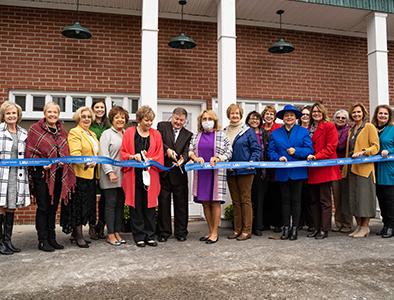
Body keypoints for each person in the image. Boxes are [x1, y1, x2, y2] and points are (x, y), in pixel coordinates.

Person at [25, 101, 76, 252]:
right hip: (41, 174)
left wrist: (62, 162)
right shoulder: (35, 130)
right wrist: (41, 164)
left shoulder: (63, 132)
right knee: (43, 207)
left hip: (58, 174)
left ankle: (52, 238)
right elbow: (30, 153)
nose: (52, 115)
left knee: (53, 207)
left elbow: (65, 154)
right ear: (45, 113)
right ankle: (42, 240)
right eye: (49, 112)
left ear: (58, 115)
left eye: (55, 112)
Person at [268, 105, 314, 241]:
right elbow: (270, 151)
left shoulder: (303, 131)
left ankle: (295, 229)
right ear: (283, 117)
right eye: (286, 115)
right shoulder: (275, 133)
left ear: (296, 118)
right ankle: (286, 228)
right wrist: (278, 158)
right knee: (285, 201)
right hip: (282, 172)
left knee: (296, 201)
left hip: (298, 172)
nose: (289, 117)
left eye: (292, 115)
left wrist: (296, 151)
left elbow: (309, 150)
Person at [120, 105, 164, 247]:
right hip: (134, 176)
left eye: (151, 120)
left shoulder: (156, 134)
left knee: (150, 207)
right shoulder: (129, 133)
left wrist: (149, 160)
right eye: (146, 120)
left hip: (151, 175)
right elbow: (124, 153)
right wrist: (132, 156)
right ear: (139, 119)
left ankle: (150, 235)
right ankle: (139, 236)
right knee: (136, 206)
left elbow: (159, 154)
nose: (149, 123)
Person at [189, 110, 232, 244]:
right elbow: (190, 150)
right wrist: (195, 158)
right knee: (205, 202)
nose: (207, 121)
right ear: (200, 121)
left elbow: (229, 151)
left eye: (209, 118)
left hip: (216, 173)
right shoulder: (196, 136)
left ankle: (215, 233)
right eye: (204, 118)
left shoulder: (221, 135)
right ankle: (210, 231)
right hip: (202, 173)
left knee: (215, 202)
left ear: (214, 121)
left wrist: (219, 158)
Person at [63, 107, 100, 248]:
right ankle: (78, 236)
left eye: (89, 117)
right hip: (79, 175)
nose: (86, 119)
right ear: (78, 118)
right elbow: (75, 153)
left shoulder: (92, 134)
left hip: (90, 175)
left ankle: (76, 234)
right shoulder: (74, 132)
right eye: (83, 116)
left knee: (86, 206)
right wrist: (85, 163)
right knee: (78, 206)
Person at [342, 102, 379, 238]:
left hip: (364, 170)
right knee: (354, 199)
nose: (356, 114)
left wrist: (363, 152)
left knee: (364, 199)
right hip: (351, 169)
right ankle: (358, 226)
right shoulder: (351, 130)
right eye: (354, 112)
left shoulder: (369, 127)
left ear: (363, 113)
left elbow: (376, 147)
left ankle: (365, 227)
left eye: (359, 112)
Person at [224, 104, 261, 241]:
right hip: (230, 171)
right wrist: (226, 164)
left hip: (246, 171)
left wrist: (252, 162)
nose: (235, 116)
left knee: (245, 199)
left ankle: (247, 230)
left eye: (237, 114)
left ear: (241, 115)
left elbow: (256, 149)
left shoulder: (248, 130)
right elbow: (222, 151)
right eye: (232, 113)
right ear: (229, 115)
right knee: (236, 201)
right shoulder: (224, 131)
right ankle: (237, 229)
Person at [157, 107, 192, 242]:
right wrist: (167, 150)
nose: (178, 122)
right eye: (176, 119)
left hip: (179, 173)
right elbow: (158, 141)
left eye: (181, 120)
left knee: (181, 205)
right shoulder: (162, 126)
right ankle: (163, 232)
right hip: (164, 173)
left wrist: (183, 158)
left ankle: (181, 232)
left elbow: (188, 150)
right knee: (164, 204)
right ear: (172, 117)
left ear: (185, 121)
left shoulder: (188, 134)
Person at [306, 103, 341, 239]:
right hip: (313, 168)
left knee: (325, 200)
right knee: (314, 200)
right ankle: (316, 227)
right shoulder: (309, 128)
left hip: (324, 167)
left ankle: (324, 229)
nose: (316, 113)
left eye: (318, 111)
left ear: (323, 112)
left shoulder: (329, 126)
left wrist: (316, 156)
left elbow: (331, 147)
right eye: (314, 111)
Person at [0, 102, 30, 255]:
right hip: (1, 174)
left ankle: (8, 241)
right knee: (0, 206)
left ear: (18, 116)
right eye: (8, 113)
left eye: (14, 113)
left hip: (17, 175)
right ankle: (0, 243)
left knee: (11, 206)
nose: (11, 116)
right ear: (3, 116)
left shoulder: (24, 133)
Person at [99, 106, 129, 246]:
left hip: (124, 175)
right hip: (110, 175)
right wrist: (110, 172)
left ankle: (117, 232)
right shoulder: (106, 134)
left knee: (119, 206)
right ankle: (110, 234)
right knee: (110, 205)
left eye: (122, 117)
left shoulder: (125, 134)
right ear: (111, 119)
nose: (120, 119)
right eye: (117, 117)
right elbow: (104, 155)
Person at [89, 99, 111, 240]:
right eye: (97, 107)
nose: (99, 110)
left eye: (102, 107)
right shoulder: (89, 125)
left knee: (105, 199)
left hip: (106, 167)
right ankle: (91, 225)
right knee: (91, 198)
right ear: (93, 109)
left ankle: (101, 225)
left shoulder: (108, 126)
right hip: (91, 167)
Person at [246, 111, 270, 236]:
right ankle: (247, 226)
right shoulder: (243, 132)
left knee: (259, 199)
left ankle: (258, 226)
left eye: (257, 118)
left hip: (261, 170)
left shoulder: (265, 134)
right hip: (246, 168)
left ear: (260, 121)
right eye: (252, 118)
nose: (254, 121)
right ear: (248, 120)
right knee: (247, 198)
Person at [372, 105, 394, 238]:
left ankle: (391, 226)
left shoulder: (392, 129)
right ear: (376, 115)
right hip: (376, 169)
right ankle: (385, 225)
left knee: (390, 199)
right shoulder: (373, 129)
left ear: (389, 116)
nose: (383, 116)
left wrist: (390, 151)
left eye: (386, 114)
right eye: (380, 113)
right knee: (381, 200)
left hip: (389, 170)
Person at [261, 105, 283, 233]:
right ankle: (265, 223)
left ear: (274, 116)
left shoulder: (279, 129)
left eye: (271, 114)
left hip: (276, 169)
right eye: (267, 113)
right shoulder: (260, 129)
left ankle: (277, 223)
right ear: (263, 116)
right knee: (265, 197)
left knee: (276, 197)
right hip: (263, 169)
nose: (269, 116)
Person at [332, 109, 353, 233]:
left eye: (343, 118)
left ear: (347, 120)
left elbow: (339, 145)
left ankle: (347, 224)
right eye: (338, 117)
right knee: (336, 197)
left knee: (346, 197)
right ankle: (338, 223)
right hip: (333, 168)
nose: (340, 119)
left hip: (345, 168)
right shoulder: (332, 129)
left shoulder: (349, 131)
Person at [297, 105, 314, 232]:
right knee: (300, 196)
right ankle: (300, 221)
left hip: (311, 167)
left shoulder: (312, 130)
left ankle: (311, 222)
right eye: (303, 114)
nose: (305, 116)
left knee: (310, 196)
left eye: (307, 114)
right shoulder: (296, 130)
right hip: (298, 166)